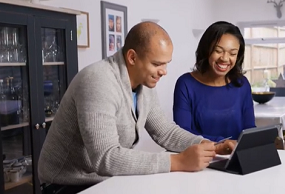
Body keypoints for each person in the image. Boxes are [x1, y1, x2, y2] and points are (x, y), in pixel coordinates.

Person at [38, 21, 235, 194]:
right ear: (132, 58)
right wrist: (177, 162)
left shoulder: (144, 83)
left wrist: (209, 146)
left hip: (103, 180)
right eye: (157, 64)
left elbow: (164, 132)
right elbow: (106, 158)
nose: (164, 72)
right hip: (65, 184)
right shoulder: (98, 81)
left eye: (166, 64)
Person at [173, 21, 256, 142]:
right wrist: (221, 143)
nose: (225, 58)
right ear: (207, 50)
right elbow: (183, 133)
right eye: (218, 51)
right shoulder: (186, 84)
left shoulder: (241, 84)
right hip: (199, 156)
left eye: (232, 53)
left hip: (237, 156)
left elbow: (249, 128)